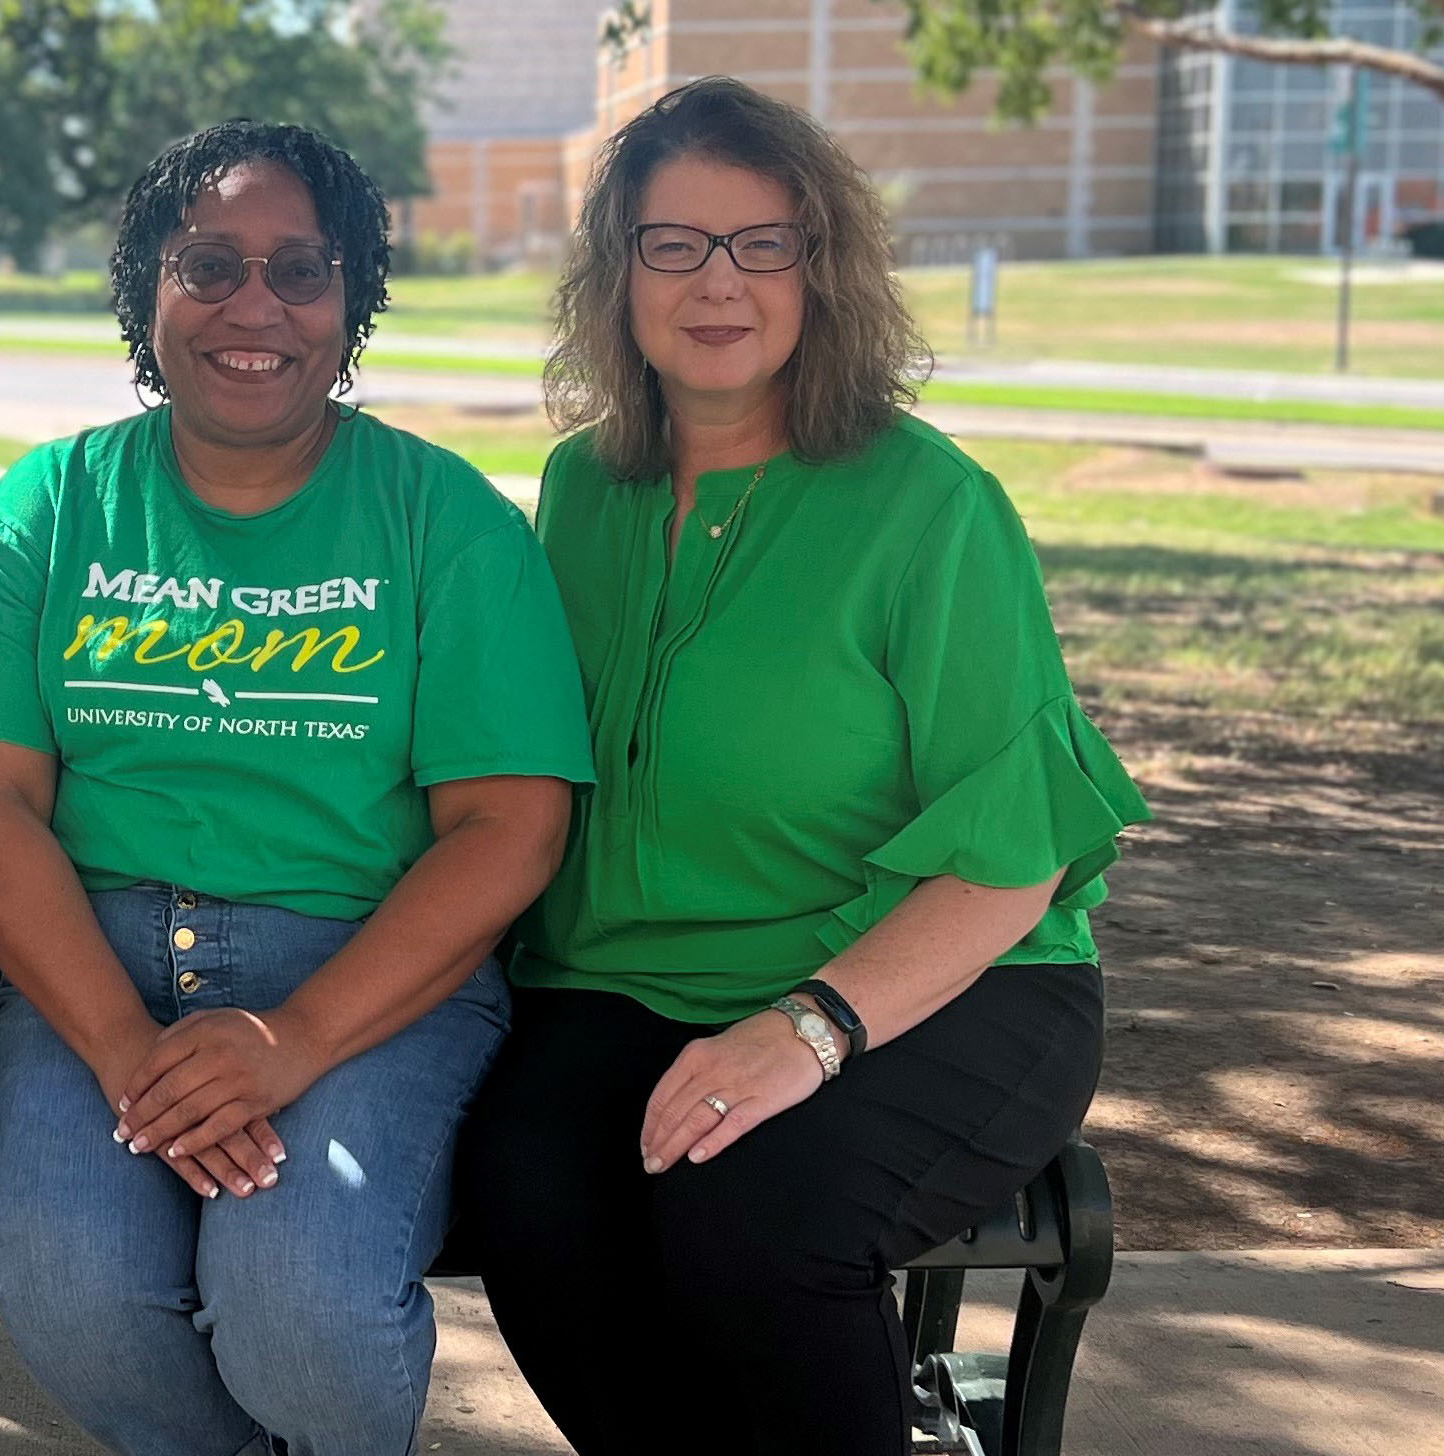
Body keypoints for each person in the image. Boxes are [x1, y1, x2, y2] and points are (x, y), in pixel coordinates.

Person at [453, 77, 1154, 1456]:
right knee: (525, 1196)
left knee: (749, 1215)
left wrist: (811, 1027)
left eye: (762, 242)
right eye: (675, 243)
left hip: (943, 980)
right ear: (620, 271)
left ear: (822, 270)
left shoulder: (931, 508)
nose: (718, 282)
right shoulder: (584, 490)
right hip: (627, 977)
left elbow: (1010, 856)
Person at [0, 119, 593, 1455]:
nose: (255, 306)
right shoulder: (49, 507)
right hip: (87, 969)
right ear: (146, 288)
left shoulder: (443, 518)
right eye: (208, 264)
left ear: (352, 304)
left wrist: (292, 1040)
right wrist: (127, 1053)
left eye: (301, 270)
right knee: (68, 1280)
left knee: (302, 1302)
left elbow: (510, 824)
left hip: (367, 969)